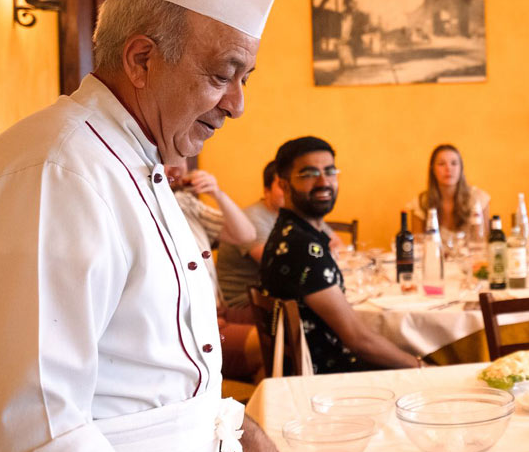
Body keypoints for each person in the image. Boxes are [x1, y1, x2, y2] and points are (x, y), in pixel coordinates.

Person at [0, 0, 303, 452]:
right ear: (140, 60)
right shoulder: (58, 176)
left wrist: (234, 425)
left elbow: (143, 379)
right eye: (222, 74)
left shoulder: (128, 160)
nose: (237, 104)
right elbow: (35, 437)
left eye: (246, 77)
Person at [260, 136, 423, 373]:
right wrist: (421, 366)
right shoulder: (303, 248)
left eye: (330, 171)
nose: (323, 182)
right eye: (308, 174)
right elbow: (359, 341)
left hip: (321, 368)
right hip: (329, 380)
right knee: (436, 361)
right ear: (284, 185)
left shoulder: (292, 232)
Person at [165, 165, 261, 381]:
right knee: (269, 344)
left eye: (182, 160)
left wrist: (217, 194)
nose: (178, 168)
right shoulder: (143, 210)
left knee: (280, 323)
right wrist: (202, 319)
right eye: (168, 160)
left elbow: (246, 235)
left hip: (218, 311)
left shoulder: (184, 203)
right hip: (191, 326)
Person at [217, 160, 289, 313]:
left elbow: (335, 243)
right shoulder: (253, 217)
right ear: (266, 190)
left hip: (267, 294)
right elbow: (275, 264)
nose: (289, 191)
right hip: (241, 302)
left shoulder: (289, 215)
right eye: (283, 186)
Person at [407, 144, 490, 235]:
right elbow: (417, 243)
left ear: (461, 168)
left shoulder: (477, 198)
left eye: (454, 163)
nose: (448, 168)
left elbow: (483, 241)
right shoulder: (421, 202)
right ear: (433, 169)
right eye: (441, 164)